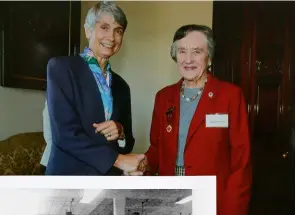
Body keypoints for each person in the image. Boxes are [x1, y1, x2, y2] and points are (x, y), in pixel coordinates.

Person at [137, 25, 252, 215]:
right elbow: (157, 149)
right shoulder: (163, 97)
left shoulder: (230, 96)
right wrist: (142, 164)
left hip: (213, 200)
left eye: (197, 52)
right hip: (169, 199)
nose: (188, 59)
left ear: (209, 57)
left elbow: (241, 164)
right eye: (182, 51)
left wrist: (233, 210)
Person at [45, 1, 145, 175]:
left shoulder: (122, 86)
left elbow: (128, 142)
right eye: (104, 27)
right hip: (68, 179)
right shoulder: (61, 68)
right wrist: (119, 161)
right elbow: (65, 136)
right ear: (88, 30)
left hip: (107, 183)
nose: (112, 37)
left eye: (118, 30)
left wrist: (120, 131)